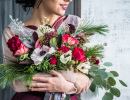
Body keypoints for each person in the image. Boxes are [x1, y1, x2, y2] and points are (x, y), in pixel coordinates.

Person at [2, 0, 90, 100]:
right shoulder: (13, 32)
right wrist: (72, 79)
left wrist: (69, 87)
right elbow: (16, 82)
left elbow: (87, 78)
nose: (69, 0)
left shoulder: (75, 24)